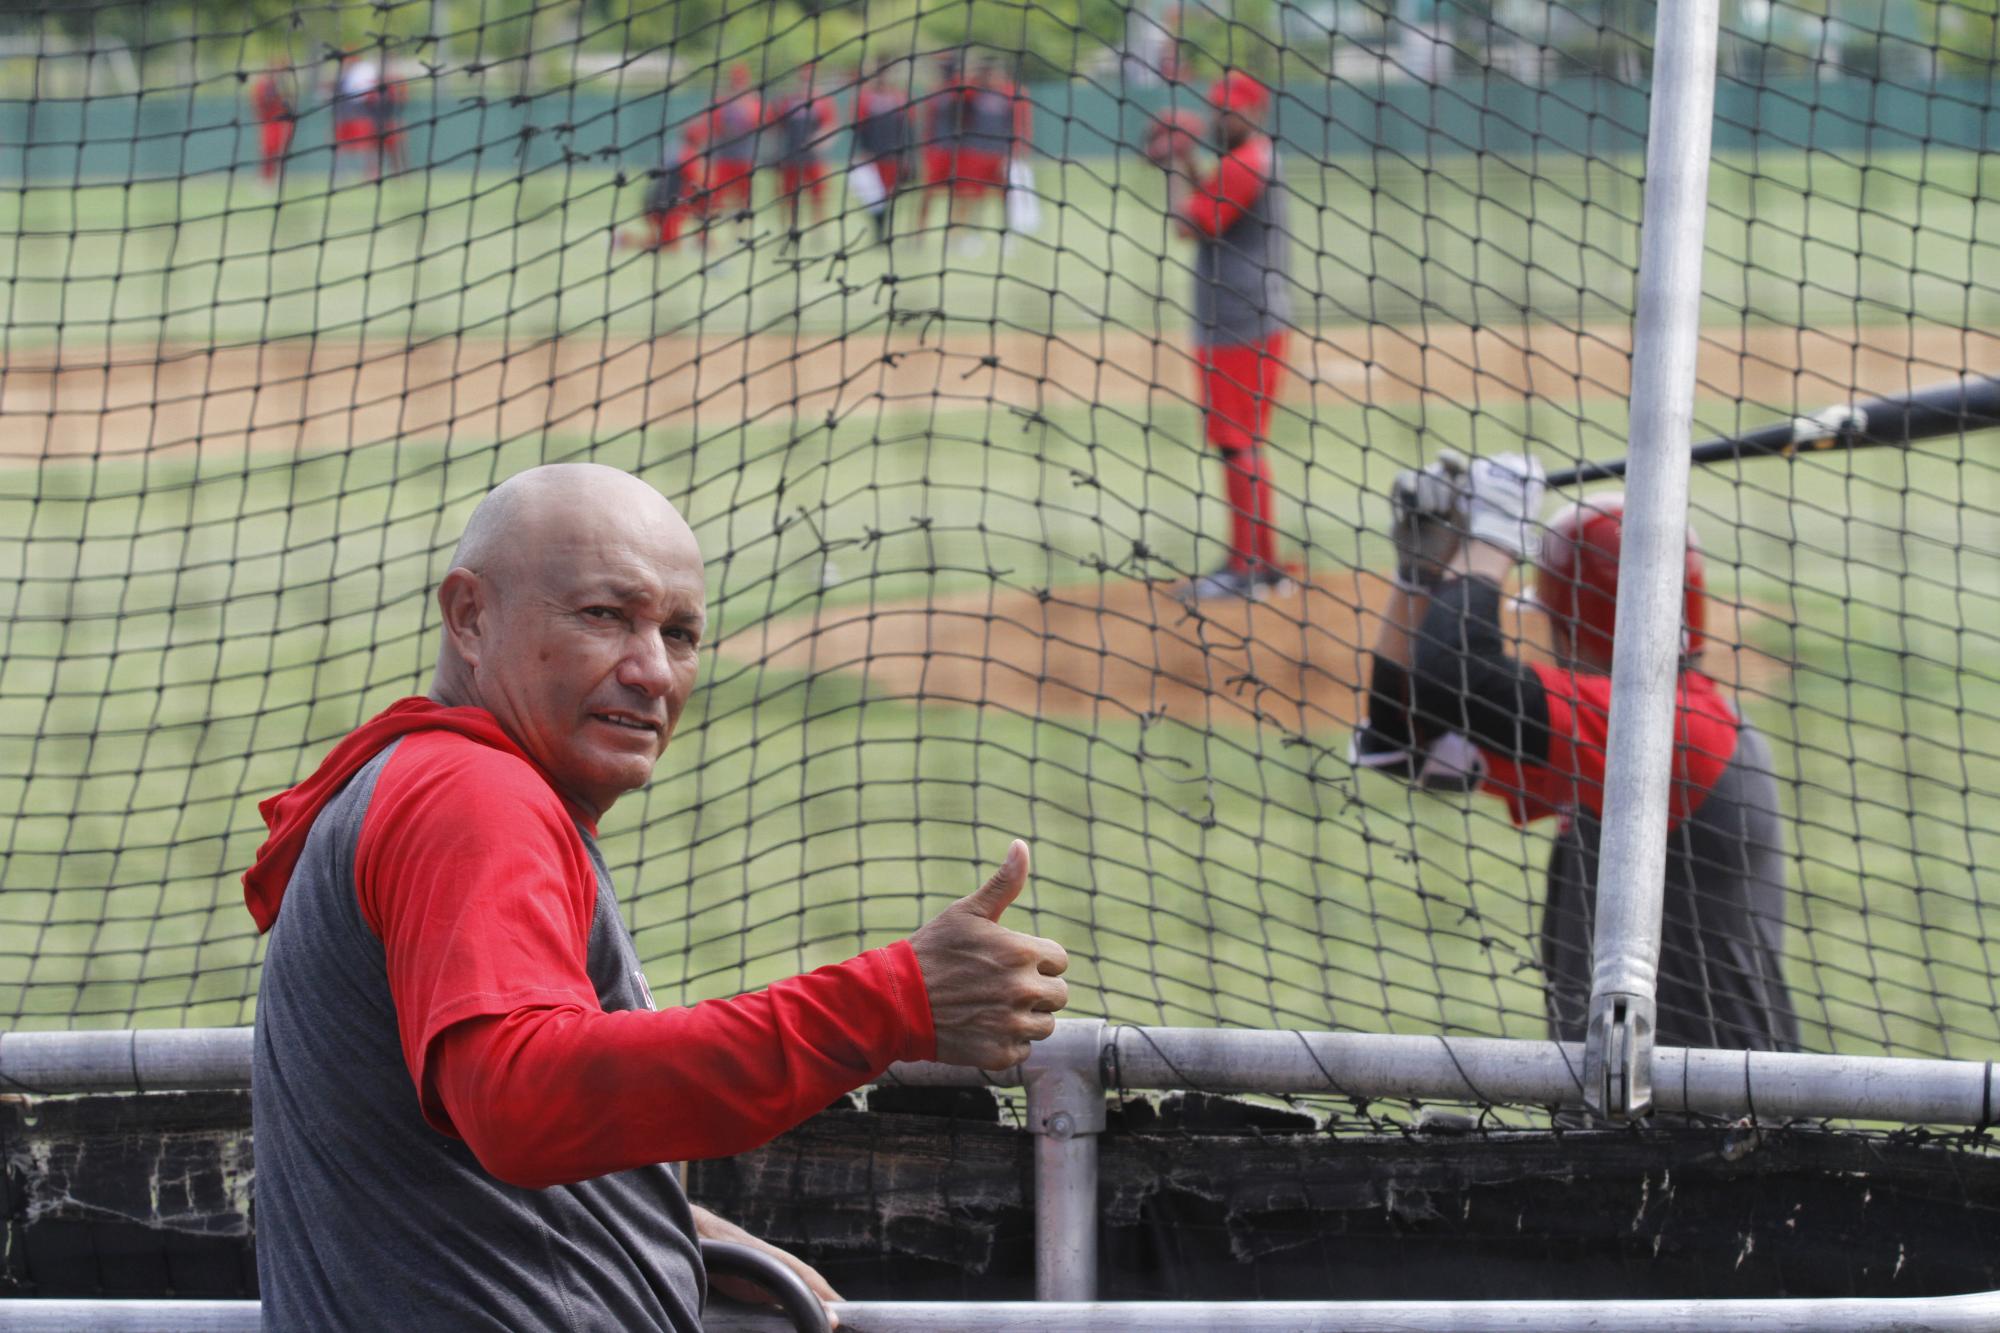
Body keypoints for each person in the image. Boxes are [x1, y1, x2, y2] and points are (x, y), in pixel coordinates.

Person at [246, 463, 1070, 1329]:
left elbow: (426, 1134)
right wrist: (889, 1000)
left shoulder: (429, 782)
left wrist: (651, 1221)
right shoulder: (471, 795)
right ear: (470, 616)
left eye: (679, 633)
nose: (652, 672)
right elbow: (518, 1101)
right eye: (605, 615)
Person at [1355, 452, 1800, 1055]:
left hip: (1713, 1102)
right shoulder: (1630, 734)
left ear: (1573, 629)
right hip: (1637, 1093)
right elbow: (1401, 739)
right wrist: (1420, 579)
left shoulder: (1671, 732)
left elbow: (1457, 679)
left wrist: (1492, 536)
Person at [1155, 71, 1294, 602]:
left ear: (1254, 113)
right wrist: (1186, 163)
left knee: (1236, 442)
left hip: (1239, 323)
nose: (1220, 117)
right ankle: (1262, 563)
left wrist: (1173, 163)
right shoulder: (1251, 159)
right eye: (1217, 108)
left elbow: (1188, 224)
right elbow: (1210, 202)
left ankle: (1246, 569)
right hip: (1248, 318)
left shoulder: (1245, 163)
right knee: (1242, 442)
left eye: (1230, 109)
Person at [767, 63, 836, 247]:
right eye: (803, 79)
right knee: (789, 198)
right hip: (791, 157)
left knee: (818, 198)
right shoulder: (787, 101)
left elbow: (830, 126)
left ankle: (819, 235)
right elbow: (774, 127)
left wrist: (820, 140)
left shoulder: (823, 101)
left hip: (814, 159)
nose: (805, 83)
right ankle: (790, 232)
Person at [850, 63, 914, 245]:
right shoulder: (865, 99)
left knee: (890, 195)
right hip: (872, 156)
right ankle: (878, 232)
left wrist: (906, 154)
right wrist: (863, 151)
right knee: (873, 197)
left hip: (893, 156)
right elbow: (859, 129)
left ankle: (885, 233)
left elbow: (907, 128)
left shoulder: (900, 98)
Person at [704, 63, 763, 226]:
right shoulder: (722, 102)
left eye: (741, 80)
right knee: (717, 198)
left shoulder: (753, 103)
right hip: (725, 157)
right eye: (735, 80)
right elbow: (714, 126)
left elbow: (756, 122)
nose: (738, 84)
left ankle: (740, 230)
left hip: (744, 157)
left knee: (743, 199)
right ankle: (713, 230)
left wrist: (744, 104)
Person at [249, 62, 296, 184]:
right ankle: (266, 177)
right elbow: (257, 103)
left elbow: (290, 101)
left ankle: (279, 176)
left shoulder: (283, 85)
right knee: (268, 150)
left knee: (281, 151)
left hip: (281, 121)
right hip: (268, 122)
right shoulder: (262, 85)